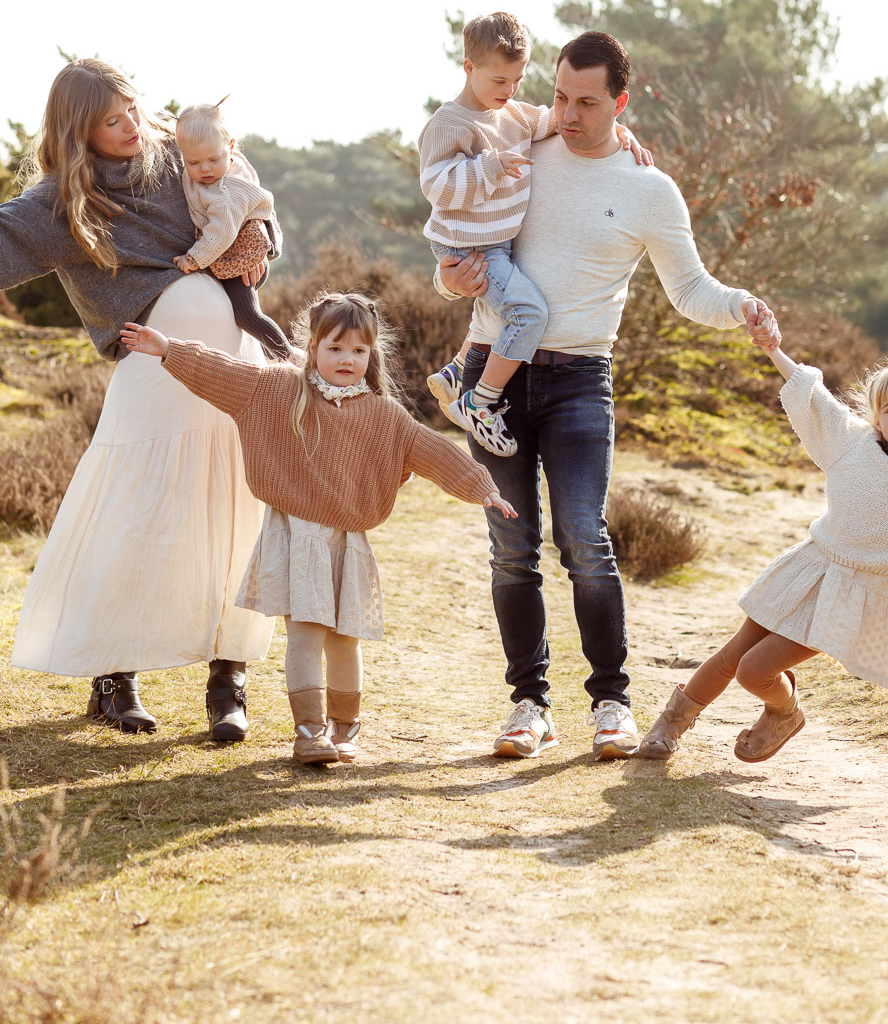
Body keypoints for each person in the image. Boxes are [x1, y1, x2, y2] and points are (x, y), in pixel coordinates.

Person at [436, 30, 778, 761]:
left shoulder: (648, 187)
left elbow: (691, 291)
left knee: (585, 541)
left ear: (620, 103)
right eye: (558, 95)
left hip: (580, 382)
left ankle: (611, 705)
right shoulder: (523, 149)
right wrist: (449, 279)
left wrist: (743, 304)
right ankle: (529, 705)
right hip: (495, 371)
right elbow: (463, 237)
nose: (567, 112)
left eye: (586, 102)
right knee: (510, 548)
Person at [0, 58, 280, 741]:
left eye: (132, 110)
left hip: (230, 372)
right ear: (78, 130)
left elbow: (252, 201)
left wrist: (261, 244)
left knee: (236, 512)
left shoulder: (176, 156)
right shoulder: (60, 202)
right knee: (134, 519)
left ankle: (229, 678)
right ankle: (113, 675)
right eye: (111, 121)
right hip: (151, 381)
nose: (132, 127)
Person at [120, 291, 514, 765]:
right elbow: (223, 372)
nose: (347, 359)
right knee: (306, 632)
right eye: (334, 348)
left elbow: (432, 449)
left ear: (371, 356)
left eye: (358, 351)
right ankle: (308, 731)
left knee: (345, 638)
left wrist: (480, 486)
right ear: (312, 347)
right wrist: (168, 348)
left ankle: (344, 729)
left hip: (348, 542)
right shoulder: (278, 389)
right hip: (297, 535)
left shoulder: (384, 415)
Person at [638, 345, 888, 763]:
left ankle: (783, 712)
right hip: (812, 568)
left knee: (753, 670)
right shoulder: (853, 443)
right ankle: (671, 725)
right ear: (875, 418)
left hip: (858, 596)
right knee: (734, 653)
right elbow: (813, 398)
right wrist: (772, 348)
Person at [420, 11, 648, 458]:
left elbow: (561, 122)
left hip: (496, 240)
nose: (509, 92)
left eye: (518, 81)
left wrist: (620, 131)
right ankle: (480, 402)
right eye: (499, 81)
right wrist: (488, 166)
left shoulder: (515, 116)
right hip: (471, 244)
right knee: (528, 313)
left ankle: (456, 371)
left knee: (511, 304)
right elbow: (437, 186)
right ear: (469, 68)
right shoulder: (450, 124)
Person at [173, 99, 293, 361]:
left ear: (231, 147)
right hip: (234, 254)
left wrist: (193, 259)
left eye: (213, 159)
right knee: (235, 317)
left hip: (239, 256)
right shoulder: (224, 165)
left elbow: (222, 233)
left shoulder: (225, 191)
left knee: (246, 315)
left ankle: (291, 357)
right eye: (193, 162)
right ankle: (264, 358)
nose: (205, 169)